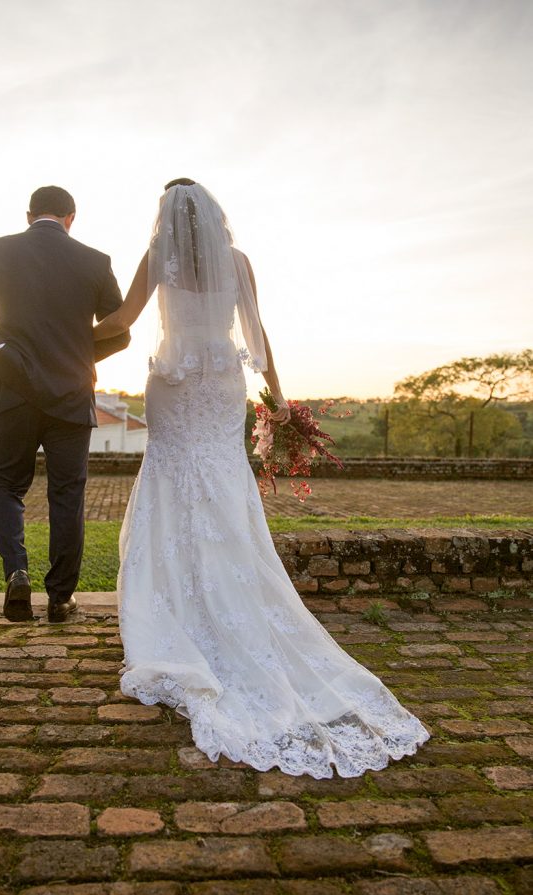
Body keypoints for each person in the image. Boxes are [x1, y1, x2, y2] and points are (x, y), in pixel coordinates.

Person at [93, 178, 430, 777]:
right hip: (224, 381)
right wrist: (279, 398)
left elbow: (120, 318)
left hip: (173, 379)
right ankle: (226, 591)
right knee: (221, 479)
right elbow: (258, 332)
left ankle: (177, 604)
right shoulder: (240, 262)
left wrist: (53, 334)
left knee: (172, 479)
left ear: (168, 218)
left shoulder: (158, 258)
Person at [0, 185, 129, 622]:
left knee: (6, 486)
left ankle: (16, 574)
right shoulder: (95, 261)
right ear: (72, 217)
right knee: (68, 495)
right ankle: (61, 599)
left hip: (14, 390)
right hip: (71, 392)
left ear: (29, 216)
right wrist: (77, 355)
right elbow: (120, 332)